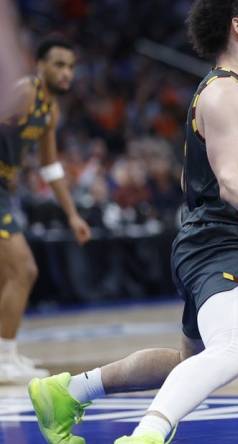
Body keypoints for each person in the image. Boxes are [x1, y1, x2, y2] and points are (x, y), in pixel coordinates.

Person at [26, 2, 238, 444]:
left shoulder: (229, 92)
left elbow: (196, 176)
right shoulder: (226, 92)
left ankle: (69, 391)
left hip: (206, 241)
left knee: (191, 358)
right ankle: (149, 435)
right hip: (221, 243)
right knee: (234, 349)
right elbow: (228, 182)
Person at [0, 37, 92, 383]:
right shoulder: (23, 93)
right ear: (39, 66)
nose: (66, 73)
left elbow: (50, 167)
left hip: (6, 192)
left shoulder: (50, 110)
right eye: (59, 65)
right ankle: (4, 357)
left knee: (8, 275)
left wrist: (72, 215)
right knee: (24, 269)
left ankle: (6, 353)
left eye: (70, 66)